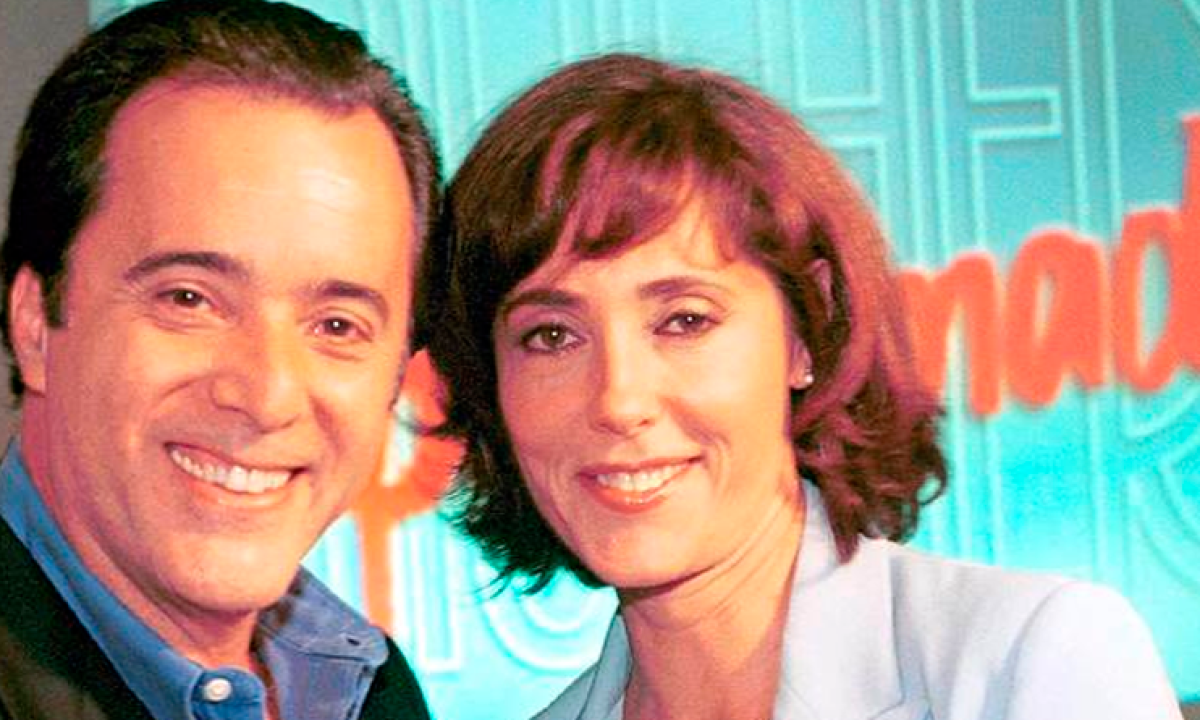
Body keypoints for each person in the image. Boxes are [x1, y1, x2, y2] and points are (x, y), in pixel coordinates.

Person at [421, 53, 1182, 719]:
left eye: (684, 320)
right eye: (551, 336)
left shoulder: (1031, 661)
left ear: (805, 329)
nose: (619, 400)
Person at [0, 1, 438, 718]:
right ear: (34, 323)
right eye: (190, 299)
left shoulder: (374, 691)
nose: (268, 395)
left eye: (337, 324)